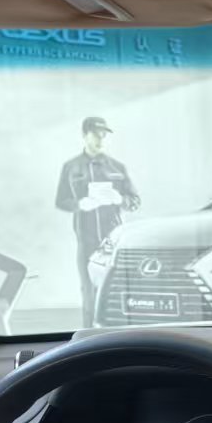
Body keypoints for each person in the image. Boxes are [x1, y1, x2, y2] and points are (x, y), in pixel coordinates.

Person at [55, 116, 140, 326]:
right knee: (89, 293)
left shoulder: (117, 167)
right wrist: (79, 204)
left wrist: (120, 199)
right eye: (96, 134)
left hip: (114, 242)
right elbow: (61, 201)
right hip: (87, 240)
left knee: (118, 292)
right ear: (85, 135)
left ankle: (122, 338)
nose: (101, 139)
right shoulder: (71, 167)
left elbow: (135, 201)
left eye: (104, 134)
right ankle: (88, 337)